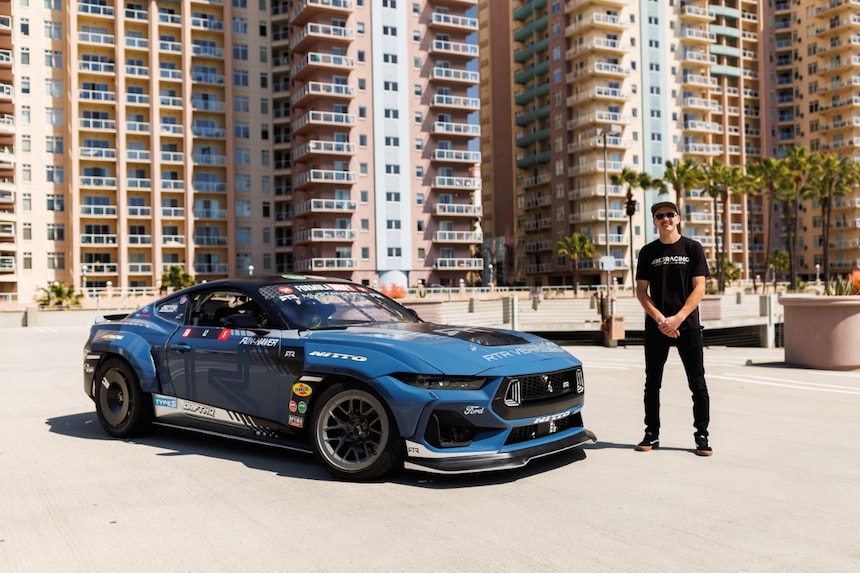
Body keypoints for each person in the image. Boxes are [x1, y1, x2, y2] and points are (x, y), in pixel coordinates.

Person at [634, 201, 712, 456]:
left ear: (678, 218)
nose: (665, 219)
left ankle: (702, 435)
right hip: (657, 326)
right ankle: (651, 434)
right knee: (651, 384)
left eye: (670, 214)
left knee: (697, 383)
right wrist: (661, 319)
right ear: (654, 221)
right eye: (660, 216)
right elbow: (641, 291)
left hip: (687, 326)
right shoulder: (647, 252)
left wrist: (677, 318)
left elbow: (699, 288)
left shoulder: (693, 248)